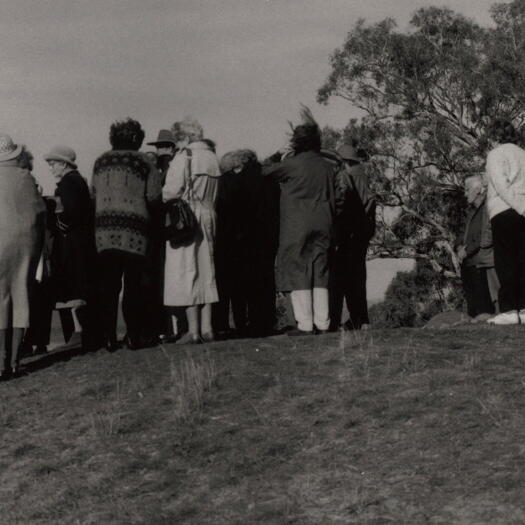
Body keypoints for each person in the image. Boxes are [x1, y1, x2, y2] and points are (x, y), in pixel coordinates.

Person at [92, 118, 162, 351]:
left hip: (104, 231)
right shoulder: (144, 162)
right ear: (137, 138)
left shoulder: (100, 161)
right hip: (136, 231)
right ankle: (133, 336)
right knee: (134, 285)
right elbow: (153, 196)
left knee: (108, 286)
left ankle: (108, 337)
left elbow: (93, 194)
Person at [264, 123, 335, 335]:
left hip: (297, 224)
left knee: (298, 270)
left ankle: (304, 324)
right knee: (320, 271)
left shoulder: (292, 165)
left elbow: (264, 170)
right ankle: (323, 323)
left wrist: (278, 153)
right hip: (325, 221)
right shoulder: (327, 166)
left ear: (296, 142)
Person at [163, 117, 221, 343]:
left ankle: (193, 330)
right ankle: (208, 328)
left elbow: (171, 192)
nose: (177, 144)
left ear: (186, 138)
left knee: (187, 270)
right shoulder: (212, 157)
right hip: (209, 214)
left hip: (187, 218)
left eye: (178, 139)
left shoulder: (184, 157)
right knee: (207, 270)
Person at [0, 134, 45, 379]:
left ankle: (0, 362)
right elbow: (40, 210)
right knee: (20, 295)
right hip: (25, 242)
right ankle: (15, 362)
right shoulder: (25, 177)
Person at [44, 145, 97, 350]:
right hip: (82, 240)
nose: (51, 168)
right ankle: (82, 334)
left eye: (53, 164)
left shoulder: (66, 184)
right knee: (80, 287)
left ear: (64, 164)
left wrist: (53, 216)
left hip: (71, 243)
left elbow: (67, 216)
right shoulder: (79, 181)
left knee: (73, 287)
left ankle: (78, 334)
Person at [329, 145, 376, 331]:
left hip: (349, 234)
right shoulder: (362, 174)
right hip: (360, 235)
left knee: (340, 279)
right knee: (357, 278)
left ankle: (339, 320)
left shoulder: (349, 176)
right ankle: (360, 318)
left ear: (344, 161)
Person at [485, 118, 525, 325]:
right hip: (523, 212)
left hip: (504, 210)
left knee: (506, 260)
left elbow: (500, 184)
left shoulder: (495, 154)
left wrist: (517, 205)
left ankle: (509, 310)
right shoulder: (523, 154)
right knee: (522, 259)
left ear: (495, 136)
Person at [458, 175, 499, 322]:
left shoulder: (488, 207)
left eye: (467, 189)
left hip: (481, 264)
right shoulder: (470, 212)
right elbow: (462, 234)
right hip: (468, 264)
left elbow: (485, 235)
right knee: (473, 308)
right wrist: (458, 248)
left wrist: (467, 250)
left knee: (485, 308)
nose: (465, 193)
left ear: (479, 190)